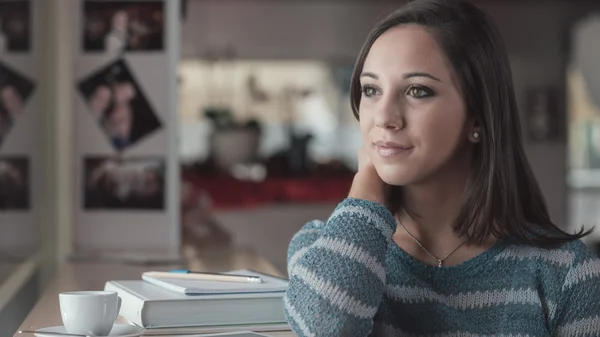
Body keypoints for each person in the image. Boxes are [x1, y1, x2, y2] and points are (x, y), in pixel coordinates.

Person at [283, 0, 600, 336]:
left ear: (476, 116)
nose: (384, 117)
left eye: (418, 91)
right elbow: (325, 327)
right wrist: (366, 193)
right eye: (371, 90)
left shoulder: (566, 272)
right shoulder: (322, 247)